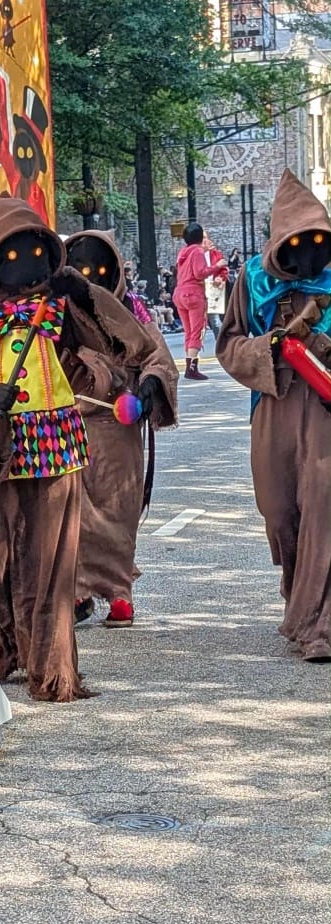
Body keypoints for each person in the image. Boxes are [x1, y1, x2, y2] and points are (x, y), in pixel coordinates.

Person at [0, 195, 92, 702]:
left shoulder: (57, 301)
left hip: (55, 439)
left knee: (47, 558)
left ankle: (49, 665)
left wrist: (84, 295)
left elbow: (109, 340)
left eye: (34, 252)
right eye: (11, 253)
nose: (25, 264)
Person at [216, 169, 331, 663]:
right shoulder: (253, 280)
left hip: (325, 408)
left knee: (324, 506)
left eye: (318, 239)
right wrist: (272, 348)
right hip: (273, 402)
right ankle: (299, 601)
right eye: (297, 240)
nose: (308, 250)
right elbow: (229, 342)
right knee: (280, 511)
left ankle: (320, 625)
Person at [63, 229, 179, 627]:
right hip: (72, 420)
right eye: (82, 271)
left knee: (119, 509)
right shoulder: (57, 310)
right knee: (75, 509)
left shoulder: (134, 308)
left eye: (100, 272)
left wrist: (150, 385)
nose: (92, 279)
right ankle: (78, 590)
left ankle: (118, 592)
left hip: (119, 425)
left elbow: (157, 355)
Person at [172, 222, 227, 380]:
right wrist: (217, 266)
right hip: (194, 294)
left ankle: (189, 364)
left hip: (180, 293)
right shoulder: (197, 251)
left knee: (188, 331)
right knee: (197, 331)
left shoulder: (184, 252)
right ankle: (192, 367)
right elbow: (200, 273)